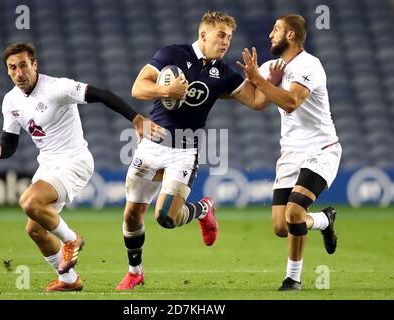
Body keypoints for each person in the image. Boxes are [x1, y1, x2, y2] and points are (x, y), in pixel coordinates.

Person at [0, 42, 165, 292]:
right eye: (12, 68)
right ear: (7, 71)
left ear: (34, 65)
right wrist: (0, 150)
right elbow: (11, 142)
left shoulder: (58, 88)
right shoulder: (10, 101)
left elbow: (102, 95)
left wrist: (136, 120)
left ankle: (72, 239)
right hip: (48, 164)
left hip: (74, 161)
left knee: (28, 202)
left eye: (24, 65)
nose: (19, 73)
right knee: (35, 230)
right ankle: (69, 280)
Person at [115, 10, 275, 290]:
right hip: (152, 144)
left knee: (166, 218)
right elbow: (138, 88)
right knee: (131, 215)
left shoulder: (224, 72)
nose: (226, 42)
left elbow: (258, 102)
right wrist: (166, 92)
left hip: (185, 150)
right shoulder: (171, 55)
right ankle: (135, 272)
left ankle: (203, 209)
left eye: (229, 37)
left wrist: (258, 77)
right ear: (204, 35)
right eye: (221, 35)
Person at [237, 14, 342, 291]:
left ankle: (292, 279)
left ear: (291, 35)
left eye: (276, 29)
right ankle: (323, 219)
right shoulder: (272, 66)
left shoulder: (310, 65)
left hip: (321, 149)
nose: (271, 34)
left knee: (294, 212)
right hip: (290, 154)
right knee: (281, 226)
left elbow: (292, 101)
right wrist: (215, 88)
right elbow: (259, 102)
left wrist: (260, 81)